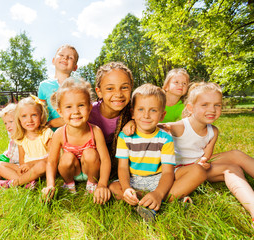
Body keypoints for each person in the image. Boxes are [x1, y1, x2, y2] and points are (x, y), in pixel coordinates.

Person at [109, 84, 206, 221]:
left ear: (162, 115)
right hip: (134, 179)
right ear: (132, 113)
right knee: (113, 187)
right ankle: (161, 200)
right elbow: (123, 167)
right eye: (141, 109)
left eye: (153, 110)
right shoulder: (124, 137)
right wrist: (126, 188)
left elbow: (167, 172)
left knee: (199, 171)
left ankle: (154, 200)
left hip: (159, 179)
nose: (146, 115)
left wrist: (159, 193)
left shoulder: (165, 138)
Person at [168, 82, 254, 227]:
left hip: (198, 165)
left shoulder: (213, 131)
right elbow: (151, 126)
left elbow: (206, 155)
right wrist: (131, 124)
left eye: (217, 105)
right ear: (190, 108)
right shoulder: (179, 127)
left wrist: (204, 160)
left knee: (235, 157)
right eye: (205, 105)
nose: (212, 110)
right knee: (229, 168)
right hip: (181, 171)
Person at [42, 78, 111, 204]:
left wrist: (102, 184)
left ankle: (91, 184)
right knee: (67, 157)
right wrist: (50, 184)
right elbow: (51, 162)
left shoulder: (95, 131)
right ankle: (69, 184)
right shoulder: (59, 134)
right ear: (60, 112)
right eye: (68, 107)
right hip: (71, 172)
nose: (75, 111)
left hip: (90, 170)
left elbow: (105, 160)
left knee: (90, 153)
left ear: (90, 108)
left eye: (81, 105)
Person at [88, 62, 134, 176]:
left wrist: (133, 122)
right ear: (99, 92)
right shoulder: (89, 112)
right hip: (91, 153)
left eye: (124, 87)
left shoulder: (132, 111)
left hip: (115, 152)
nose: (118, 94)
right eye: (110, 88)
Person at [122, 68, 190, 135]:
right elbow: (141, 114)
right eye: (176, 82)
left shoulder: (184, 107)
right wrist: (132, 122)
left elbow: (184, 125)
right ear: (166, 86)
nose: (181, 85)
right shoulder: (156, 99)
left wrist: (166, 126)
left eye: (184, 83)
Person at [38, 44, 79, 130]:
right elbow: (39, 112)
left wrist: (51, 123)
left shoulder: (80, 85)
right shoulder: (44, 85)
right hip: (53, 134)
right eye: (61, 55)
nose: (65, 58)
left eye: (70, 57)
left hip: (76, 132)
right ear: (53, 60)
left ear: (75, 67)